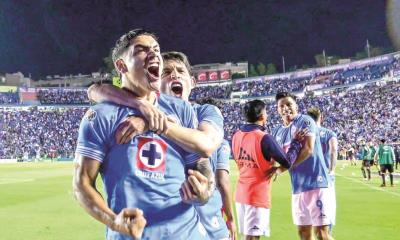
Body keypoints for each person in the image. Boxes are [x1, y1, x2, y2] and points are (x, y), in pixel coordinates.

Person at [73, 29, 211, 240]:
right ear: (121, 66)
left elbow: (200, 166)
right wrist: (113, 221)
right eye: (141, 50)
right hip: (133, 235)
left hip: (187, 233)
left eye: (156, 50)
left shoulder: (181, 109)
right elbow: (82, 183)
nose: (154, 54)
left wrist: (204, 192)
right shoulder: (100, 115)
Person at [88, 51, 232, 239]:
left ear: (193, 82)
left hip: (211, 225)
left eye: (180, 71)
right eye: (166, 72)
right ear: (155, 81)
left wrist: (151, 122)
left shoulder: (206, 112)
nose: (174, 75)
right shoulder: (139, 113)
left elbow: (207, 143)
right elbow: (94, 90)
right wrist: (142, 109)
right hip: (167, 226)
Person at [232, 100, 304, 240]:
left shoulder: (236, 135)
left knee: (247, 236)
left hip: (240, 194)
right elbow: (287, 161)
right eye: (265, 112)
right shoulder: (263, 138)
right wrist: (296, 143)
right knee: (252, 238)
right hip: (256, 195)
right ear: (261, 116)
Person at [272, 92, 333, 240]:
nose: (286, 108)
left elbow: (308, 149)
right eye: (282, 106)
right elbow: (275, 157)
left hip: (316, 183)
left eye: (289, 104)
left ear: (296, 106)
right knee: (304, 233)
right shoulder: (277, 132)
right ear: (278, 110)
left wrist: (282, 168)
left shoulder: (305, 121)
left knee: (322, 233)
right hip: (298, 187)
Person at [307, 107, 338, 234]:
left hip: (309, 178)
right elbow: (333, 150)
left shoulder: (306, 135)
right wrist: (331, 170)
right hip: (325, 178)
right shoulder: (329, 133)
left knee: (309, 217)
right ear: (321, 117)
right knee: (326, 214)